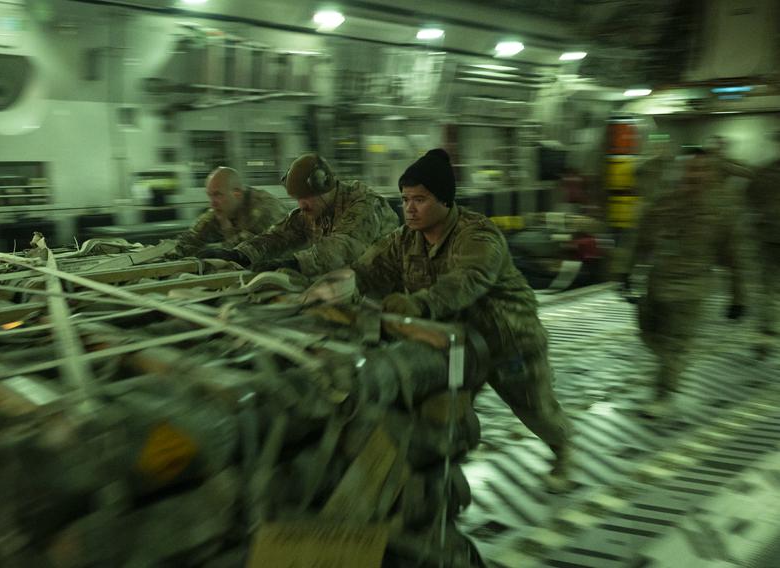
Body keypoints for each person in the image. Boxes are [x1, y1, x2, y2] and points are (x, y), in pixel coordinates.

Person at [352, 149, 573, 492]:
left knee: (536, 411)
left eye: (419, 199)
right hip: (456, 345)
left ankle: (563, 451)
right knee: (443, 415)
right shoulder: (405, 239)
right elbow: (366, 270)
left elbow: (467, 280)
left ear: (444, 201)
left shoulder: (479, 236)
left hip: (508, 341)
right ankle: (438, 486)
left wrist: (418, 306)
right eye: (405, 199)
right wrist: (322, 282)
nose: (408, 208)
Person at [624, 148, 722, 416]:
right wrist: (625, 272)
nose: (696, 175)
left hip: (692, 288)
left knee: (674, 344)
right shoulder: (663, 204)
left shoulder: (720, 210)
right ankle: (672, 362)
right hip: (658, 285)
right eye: (691, 169)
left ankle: (664, 395)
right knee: (649, 334)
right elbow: (640, 241)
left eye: (702, 170)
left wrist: (740, 296)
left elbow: (735, 252)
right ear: (681, 171)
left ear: (711, 175)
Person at [200, 153, 398, 276]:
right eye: (297, 198)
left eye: (306, 197)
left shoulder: (364, 204)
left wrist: (294, 263)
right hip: (348, 282)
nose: (301, 205)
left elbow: (342, 247)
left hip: (386, 289)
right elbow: (279, 235)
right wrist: (240, 254)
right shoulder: (314, 209)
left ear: (324, 187)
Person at [166, 167, 288, 257]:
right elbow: (191, 238)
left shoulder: (265, 208)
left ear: (237, 193)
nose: (212, 203)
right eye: (210, 196)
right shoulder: (224, 207)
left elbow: (245, 250)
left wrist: (226, 230)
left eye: (217, 195)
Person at [705, 135, 754, 319]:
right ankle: (737, 302)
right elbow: (748, 172)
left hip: (725, 221)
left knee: (734, 263)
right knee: (730, 264)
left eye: (719, 146)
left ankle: (738, 302)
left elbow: (748, 172)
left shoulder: (722, 163)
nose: (716, 149)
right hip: (711, 218)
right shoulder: (717, 163)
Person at [745, 153, 780, 358]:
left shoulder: (765, 170)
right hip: (770, 238)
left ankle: (765, 336)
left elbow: (750, 196)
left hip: (769, 238)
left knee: (768, 289)